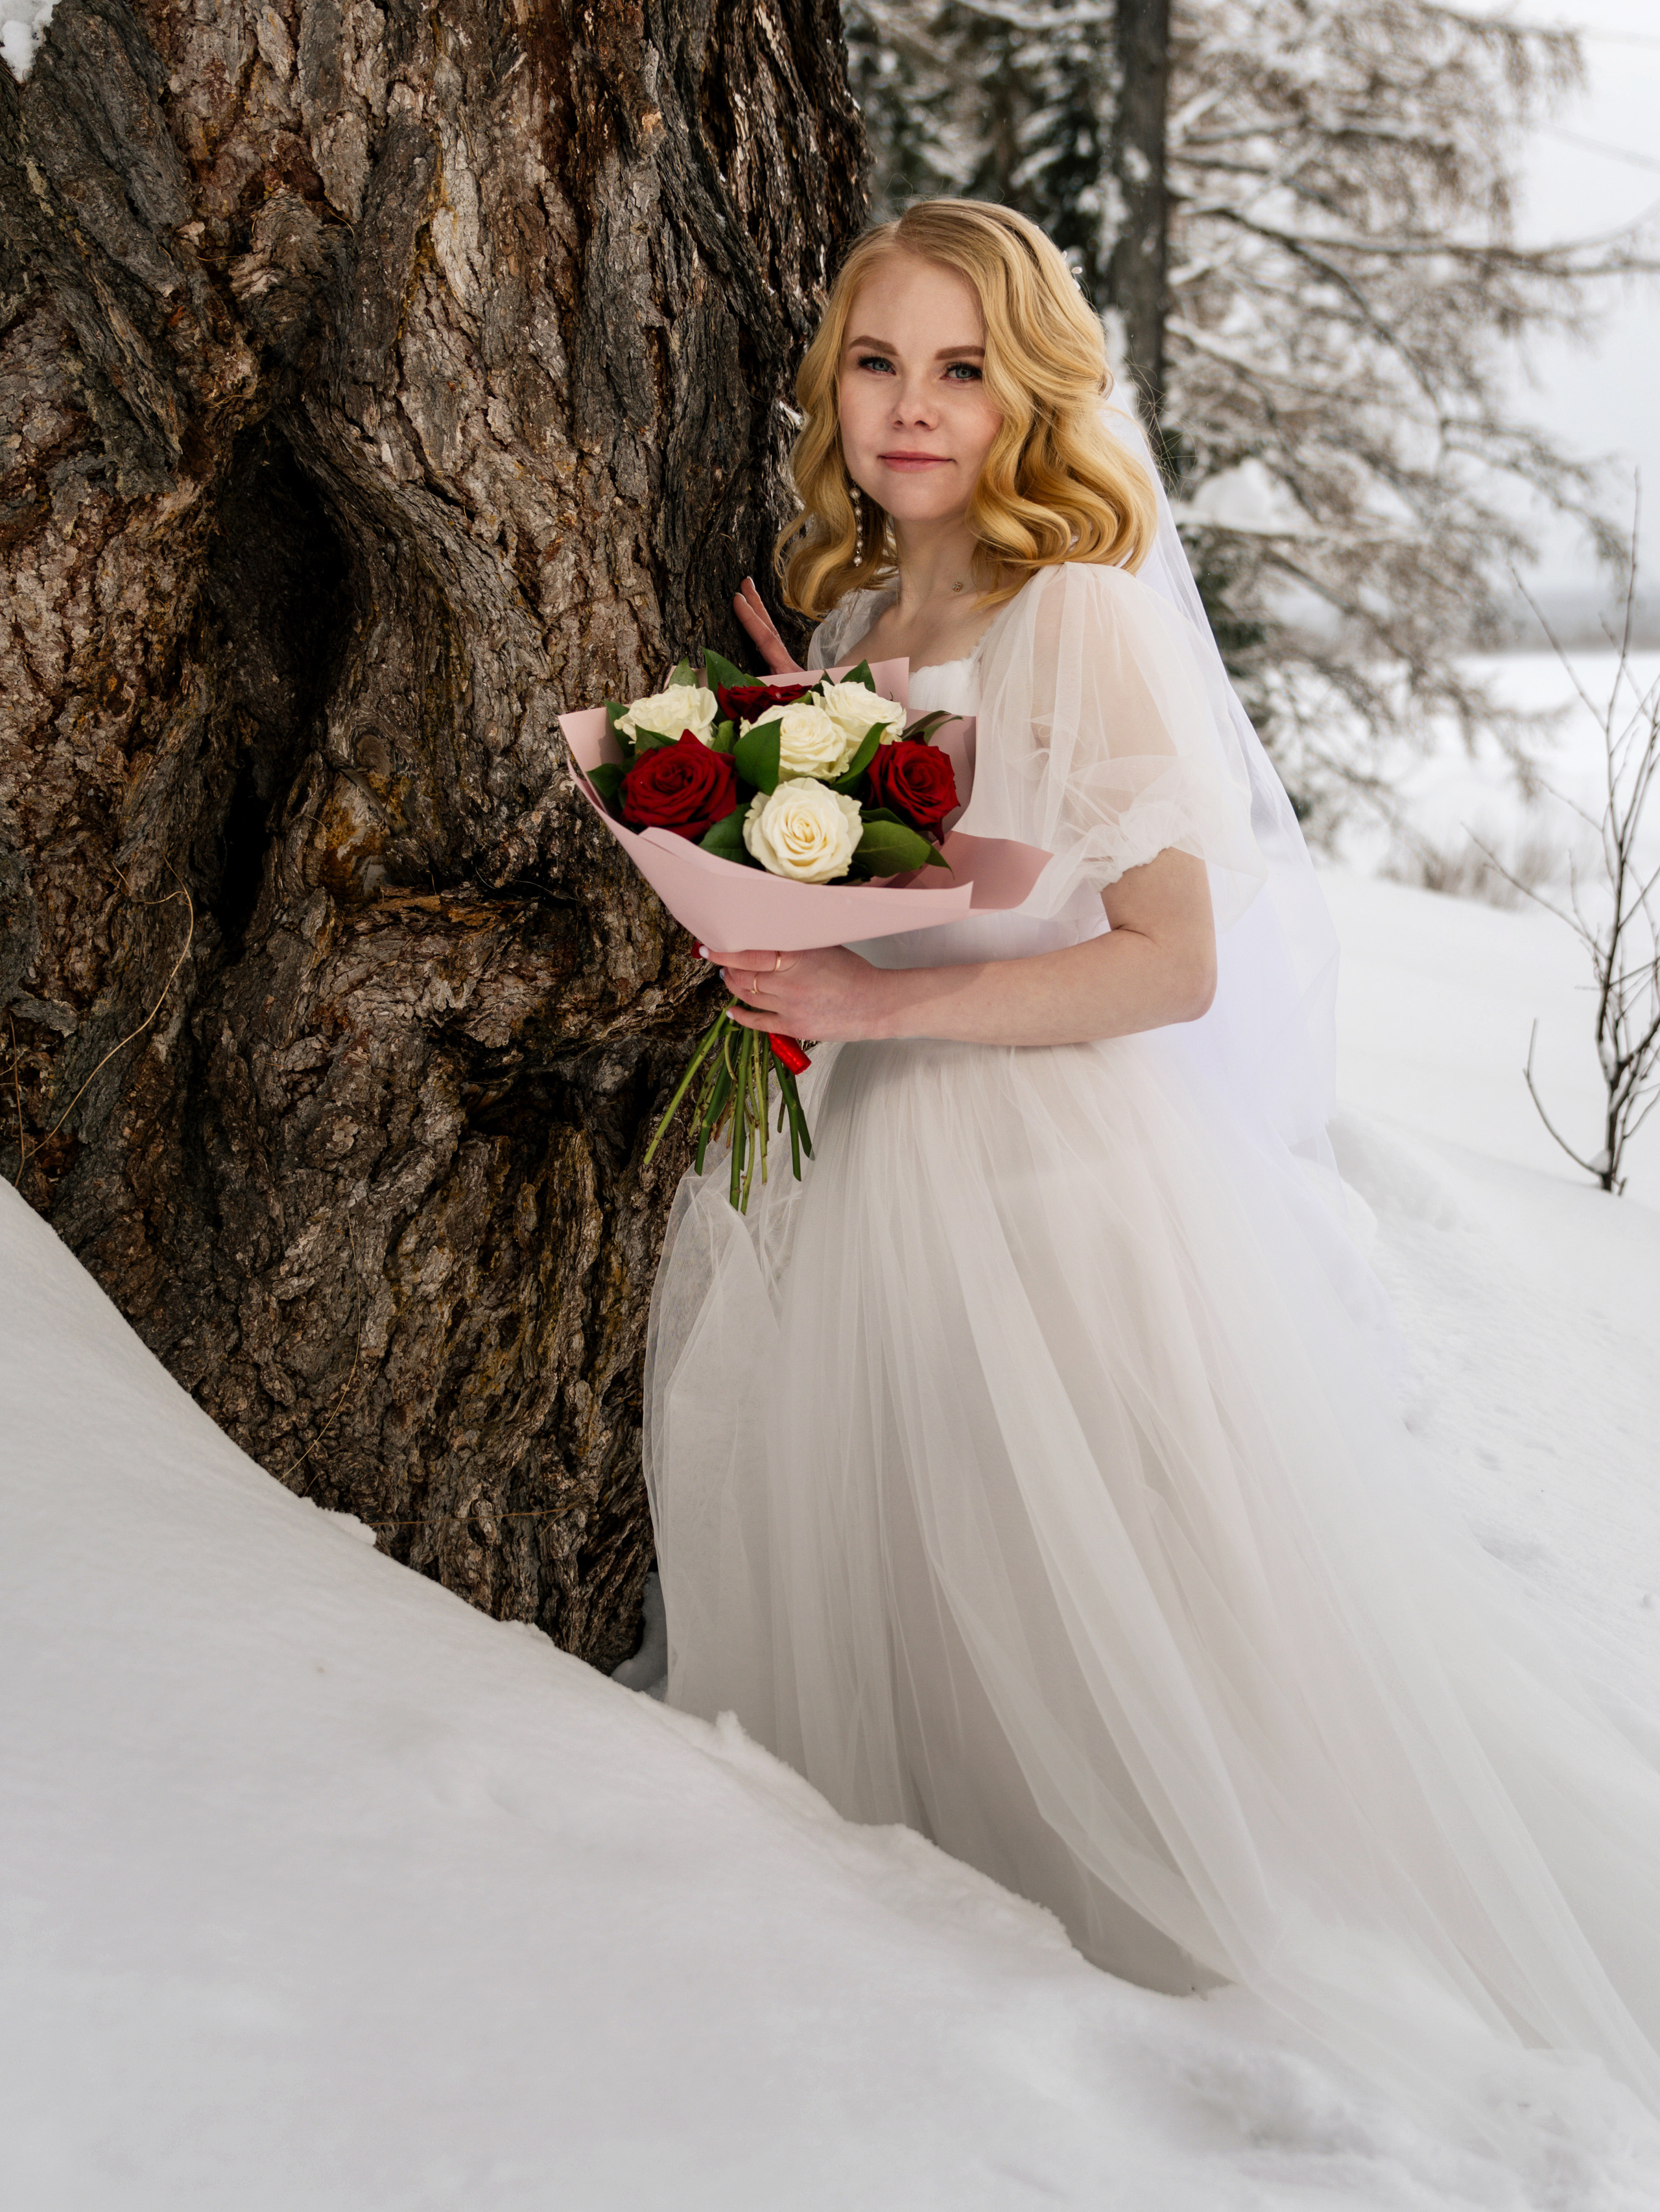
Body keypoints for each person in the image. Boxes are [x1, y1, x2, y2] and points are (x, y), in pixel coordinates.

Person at [642, 200, 1660, 2145]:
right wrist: (793, 827)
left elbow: (1172, 959)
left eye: (961, 367)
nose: (915, 408)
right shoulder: (866, 621)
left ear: (1029, 386)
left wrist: (875, 1002)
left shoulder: (1075, 606)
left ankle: (1198, 2088)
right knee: (907, 1607)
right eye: (878, 363)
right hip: (866, 1175)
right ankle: (923, 2045)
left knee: (1091, 1645)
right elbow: (917, 896)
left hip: (1040, 1184)